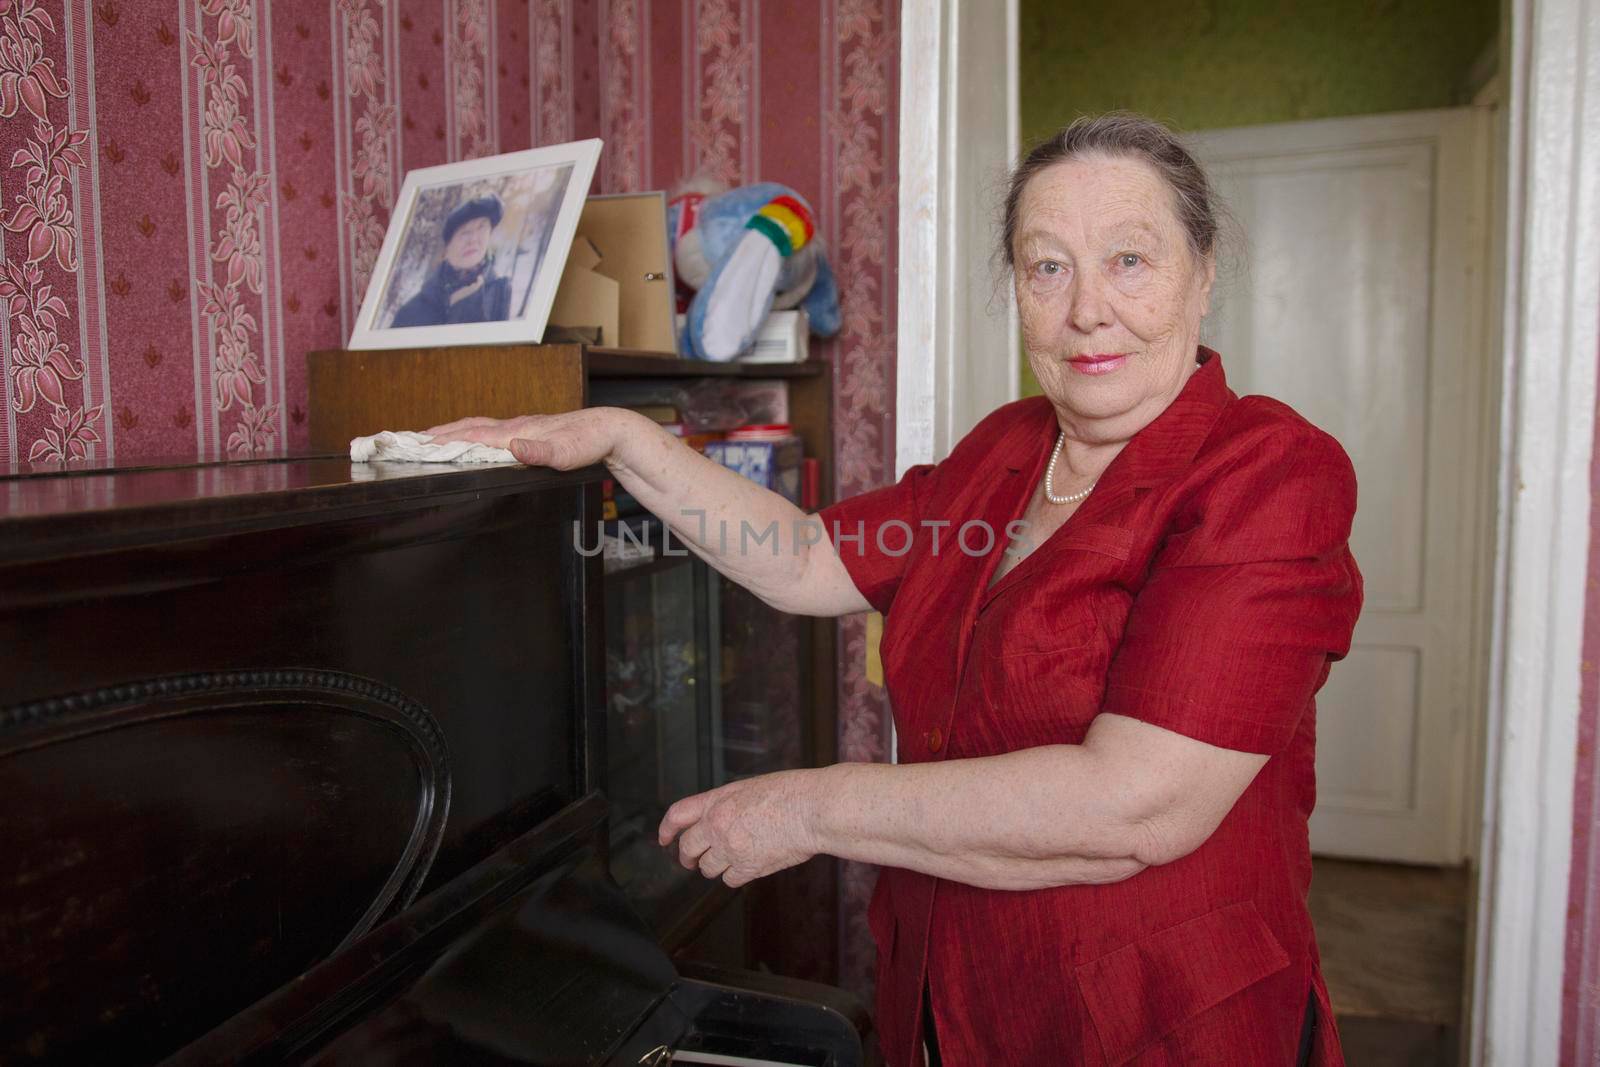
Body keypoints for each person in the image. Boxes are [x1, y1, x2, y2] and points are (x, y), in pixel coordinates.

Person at [427, 112, 1362, 1066]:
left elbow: (1139, 804)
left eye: (1130, 259)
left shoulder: (1268, 473)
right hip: (956, 1003)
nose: (1087, 309)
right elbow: (798, 558)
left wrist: (810, 807)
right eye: (1048, 267)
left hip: (1160, 1021)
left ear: (1202, 275)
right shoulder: (1005, 449)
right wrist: (624, 438)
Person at [391, 193, 513, 327]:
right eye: (464, 232)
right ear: (446, 250)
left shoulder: (499, 294)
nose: (473, 239)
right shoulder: (410, 314)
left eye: (481, 227)